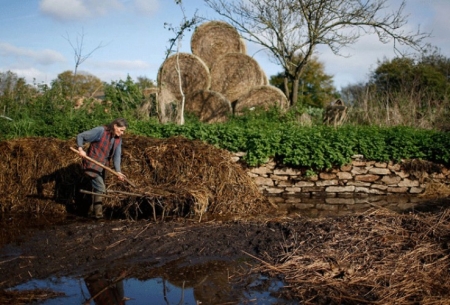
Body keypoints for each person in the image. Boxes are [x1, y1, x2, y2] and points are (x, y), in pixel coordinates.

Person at [76, 118, 128, 219]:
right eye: (121, 130)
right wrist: (80, 149)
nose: (122, 133)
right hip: (92, 164)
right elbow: (80, 136)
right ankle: (98, 215)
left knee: (97, 190)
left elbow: (117, 156)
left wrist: (118, 172)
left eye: (123, 131)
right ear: (115, 126)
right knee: (100, 187)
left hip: (103, 167)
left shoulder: (118, 139)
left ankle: (91, 212)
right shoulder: (100, 131)